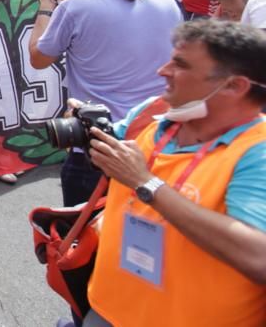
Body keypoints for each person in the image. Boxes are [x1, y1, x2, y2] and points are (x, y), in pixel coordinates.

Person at [83, 19, 266, 326]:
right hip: (106, 310)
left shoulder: (256, 152)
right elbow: (109, 150)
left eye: (180, 64)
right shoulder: (154, 115)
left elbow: (258, 257)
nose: (163, 71)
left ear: (234, 85)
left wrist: (145, 183)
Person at [29, 0, 184, 206]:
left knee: (85, 236)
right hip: (158, 137)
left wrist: (45, 8)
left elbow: (39, 58)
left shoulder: (77, 7)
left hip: (99, 144)